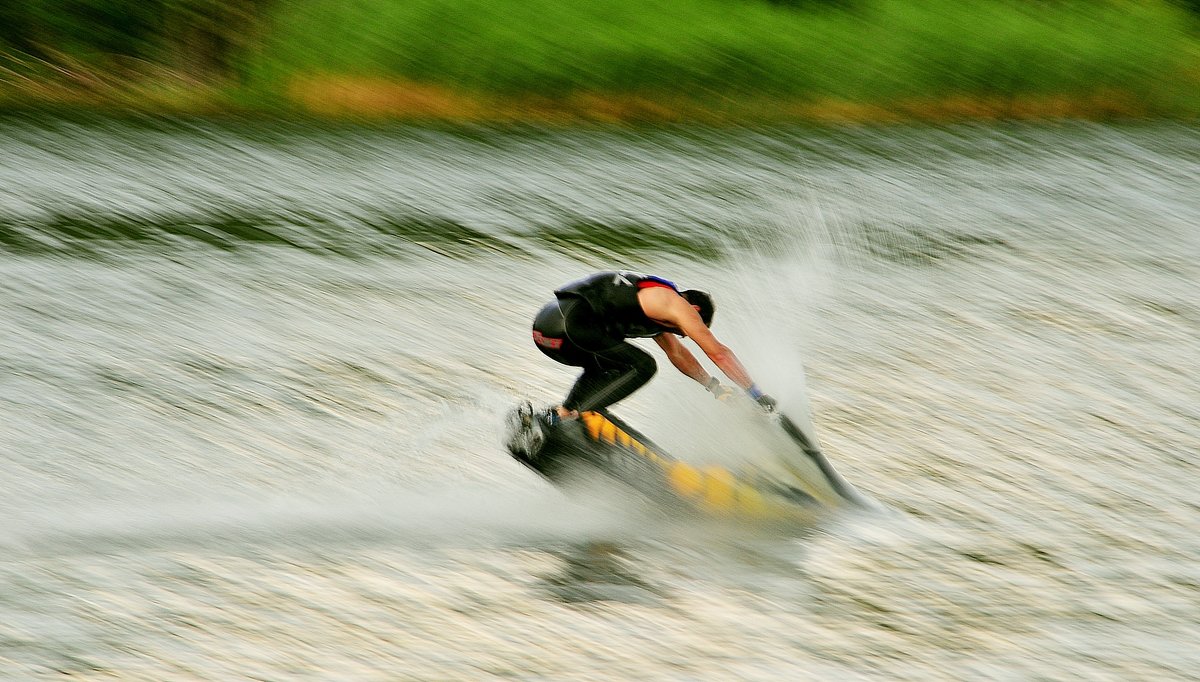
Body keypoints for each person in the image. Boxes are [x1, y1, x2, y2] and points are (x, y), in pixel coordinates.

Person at [508, 270, 776, 457]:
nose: (684, 332)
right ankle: (568, 417)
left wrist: (715, 388)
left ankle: (559, 415)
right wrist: (756, 393)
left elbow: (678, 354)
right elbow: (717, 352)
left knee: (609, 364)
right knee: (642, 366)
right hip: (570, 326)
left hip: (548, 332)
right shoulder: (674, 302)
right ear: (694, 311)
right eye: (690, 326)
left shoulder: (653, 305)